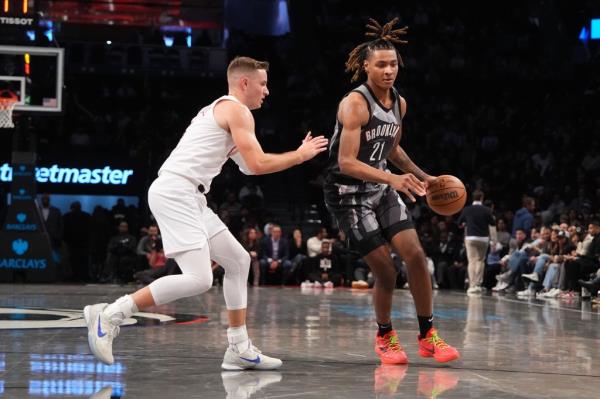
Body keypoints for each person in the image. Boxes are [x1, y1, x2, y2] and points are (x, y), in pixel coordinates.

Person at [84, 56, 328, 370]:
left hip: (191, 196)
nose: (267, 91)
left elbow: (249, 167)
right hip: (177, 192)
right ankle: (109, 315)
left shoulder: (226, 113)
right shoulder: (235, 110)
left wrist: (295, 155)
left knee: (239, 261)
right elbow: (257, 164)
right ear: (244, 83)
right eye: (263, 84)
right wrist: (299, 155)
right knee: (199, 279)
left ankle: (238, 348)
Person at [323, 18, 459, 364]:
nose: (388, 70)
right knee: (386, 271)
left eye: (393, 64)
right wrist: (394, 180)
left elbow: (392, 150)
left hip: (381, 187)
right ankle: (385, 336)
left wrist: (423, 175)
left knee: (416, 255)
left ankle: (428, 335)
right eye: (380, 64)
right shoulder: (355, 104)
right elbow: (347, 162)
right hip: (347, 193)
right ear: (365, 66)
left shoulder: (399, 103)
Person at [456, 190, 497, 294]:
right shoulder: (486, 210)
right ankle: (478, 284)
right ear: (481, 198)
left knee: (472, 261)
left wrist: (466, 224)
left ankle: (472, 285)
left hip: (470, 238)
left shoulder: (467, 209)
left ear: (472, 198)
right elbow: (492, 223)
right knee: (480, 261)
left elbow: (459, 223)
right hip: (483, 238)